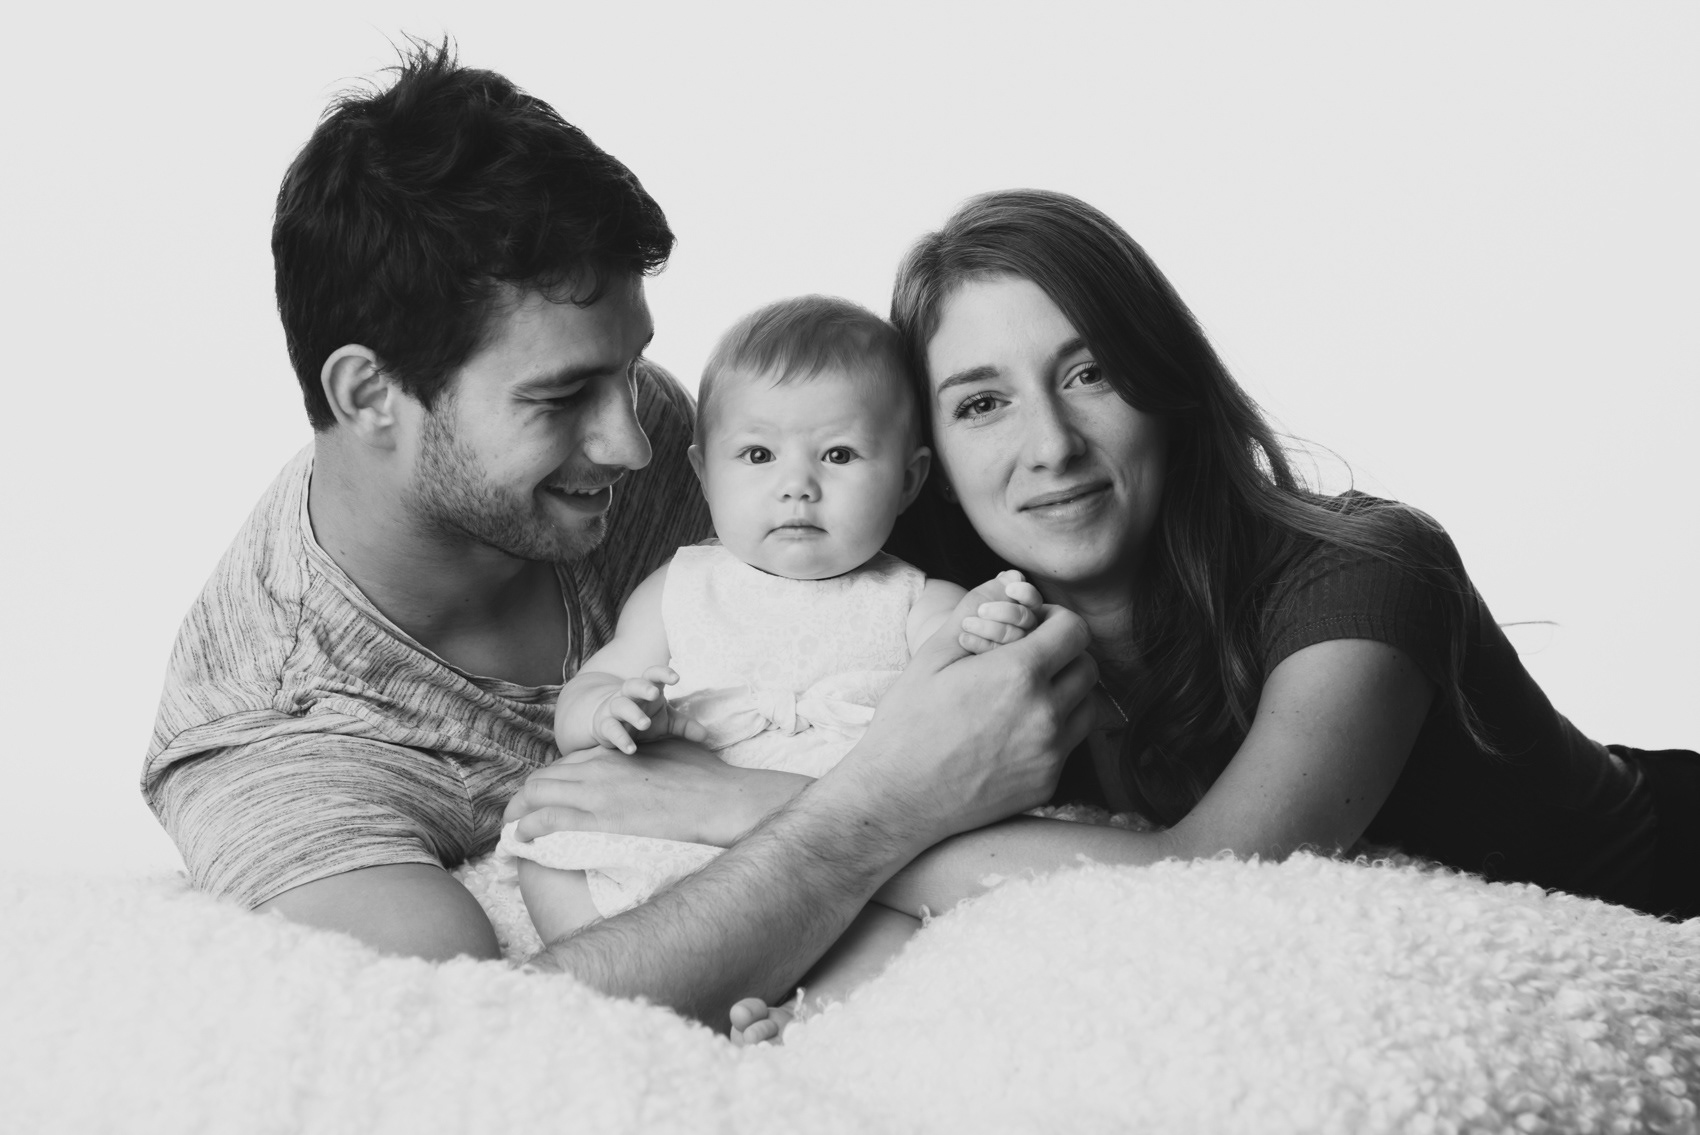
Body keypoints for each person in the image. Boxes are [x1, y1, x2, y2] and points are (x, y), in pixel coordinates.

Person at [140, 45, 1099, 1030]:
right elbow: (470, 1037)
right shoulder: (268, 741)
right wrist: (874, 810)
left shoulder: (672, 453)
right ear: (369, 394)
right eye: (561, 397)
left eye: (629, 370)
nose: (636, 442)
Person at [515, 188, 1697, 965]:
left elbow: (1200, 882)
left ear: (1164, 380)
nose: (1048, 445)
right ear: (928, 458)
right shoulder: (933, 603)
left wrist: (735, 808)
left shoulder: (1362, 578)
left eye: (1087, 374)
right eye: (980, 401)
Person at [500, 296, 1047, 1042]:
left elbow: (968, 681)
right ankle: (641, 1000)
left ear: (909, 479)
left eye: (839, 456)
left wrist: (991, 621)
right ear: (703, 472)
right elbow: (587, 692)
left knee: (900, 920)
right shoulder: (680, 586)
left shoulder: (916, 599)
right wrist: (611, 710)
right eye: (758, 456)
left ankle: (812, 1015)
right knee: (549, 851)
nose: (798, 485)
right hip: (672, 831)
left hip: (841, 843)